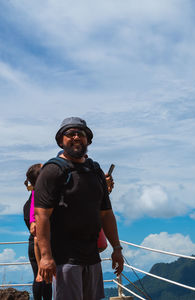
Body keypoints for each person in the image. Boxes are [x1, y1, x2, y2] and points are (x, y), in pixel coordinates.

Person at [34, 117, 124, 300]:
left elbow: (106, 213)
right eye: (70, 134)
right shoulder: (52, 171)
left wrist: (117, 248)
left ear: (88, 140)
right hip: (64, 256)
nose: (76, 137)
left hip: (92, 255)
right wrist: (45, 257)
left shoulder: (95, 171)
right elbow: (41, 216)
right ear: (60, 141)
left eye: (81, 133)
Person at [23, 164, 52, 300]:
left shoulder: (31, 201)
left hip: (38, 242)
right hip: (39, 241)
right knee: (41, 278)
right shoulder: (36, 200)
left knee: (42, 278)